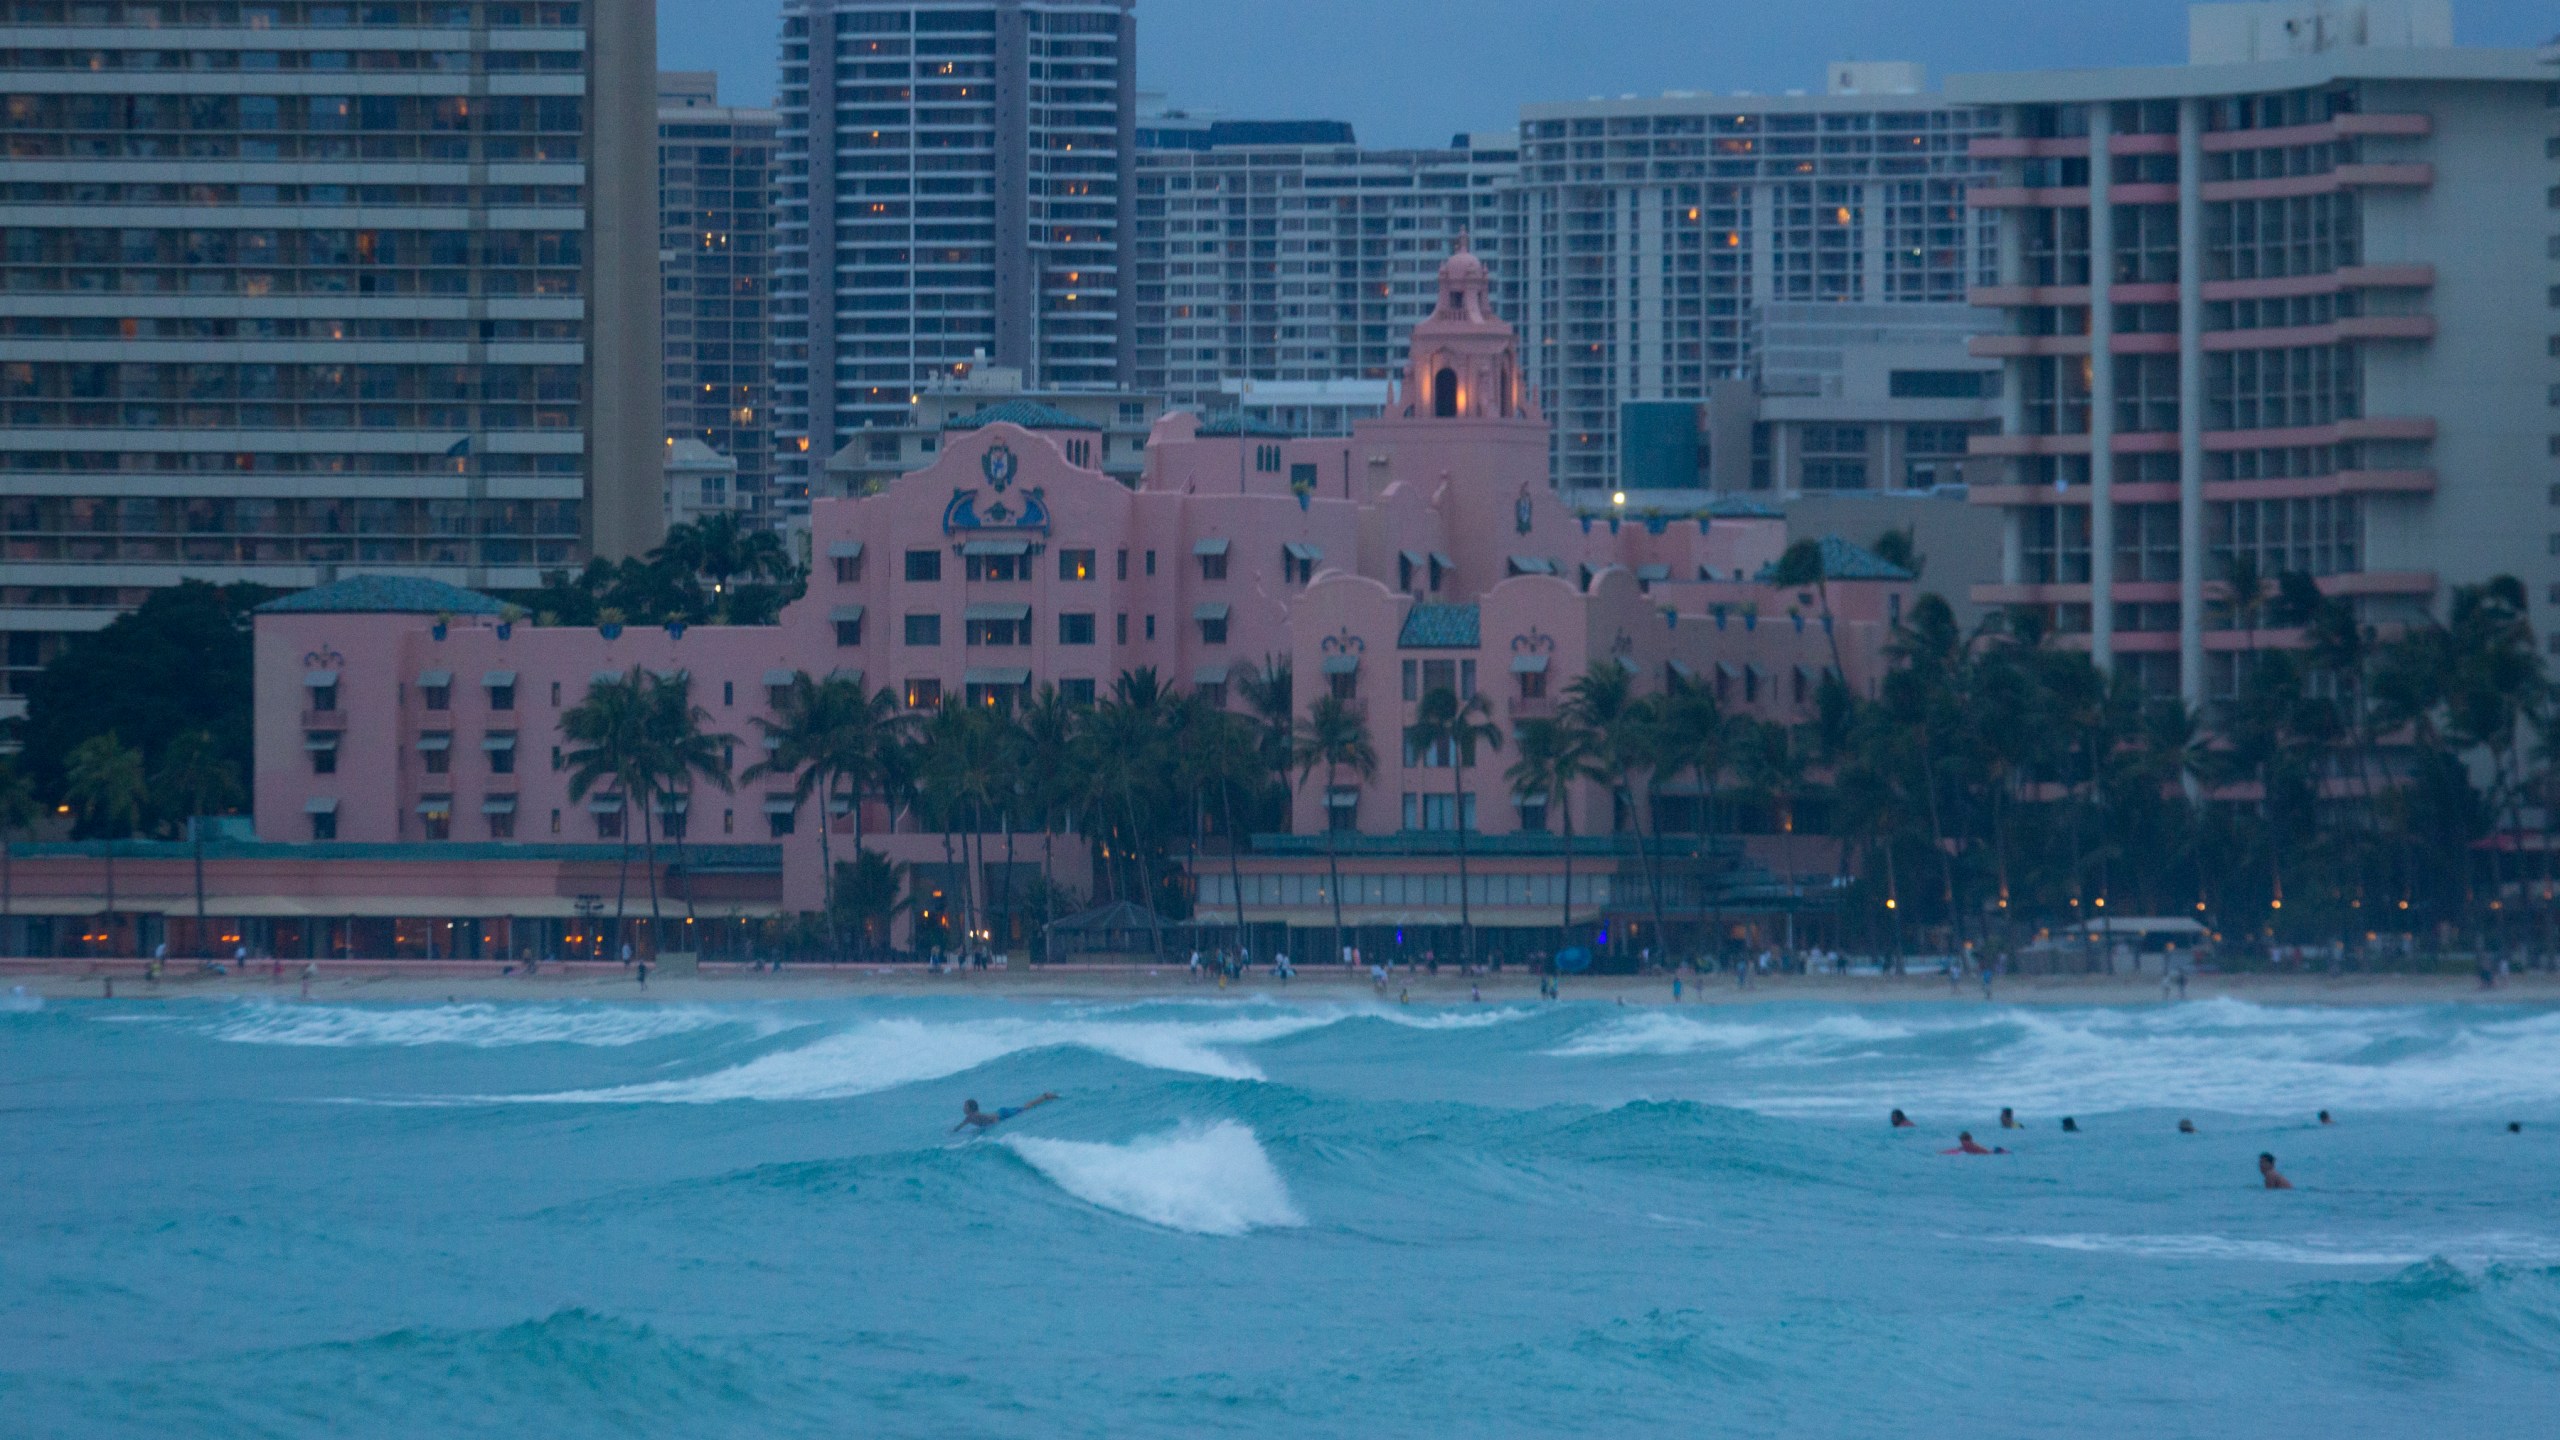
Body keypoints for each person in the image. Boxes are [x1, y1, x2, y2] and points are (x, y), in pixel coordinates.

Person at [953, 1092, 1059, 1134]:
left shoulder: (976, 1115)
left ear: (971, 1108)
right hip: (1000, 1112)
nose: (963, 1108)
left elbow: (994, 1119)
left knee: (1026, 1108)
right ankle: (1045, 1096)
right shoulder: (969, 1118)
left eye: (965, 1106)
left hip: (1003, 1114)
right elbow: (958, 1128)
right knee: (1024, 1107)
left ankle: (1045, 1096)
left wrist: (997, 1126)